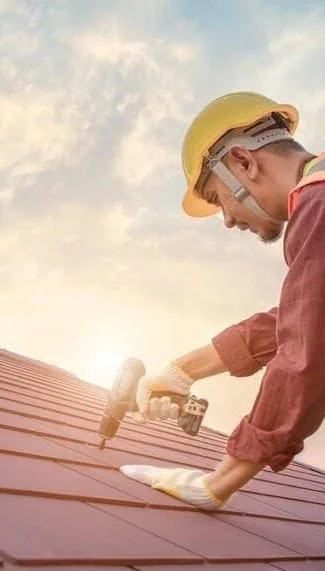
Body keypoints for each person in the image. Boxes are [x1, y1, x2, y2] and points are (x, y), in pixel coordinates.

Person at [120, 91, 325, 510]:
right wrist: (182, 371)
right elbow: (302, 315)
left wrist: (217, 483)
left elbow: (307, 354)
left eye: (218, 200)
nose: (228, 220)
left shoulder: (320, 203)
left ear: (244, 163)